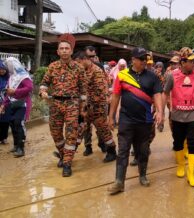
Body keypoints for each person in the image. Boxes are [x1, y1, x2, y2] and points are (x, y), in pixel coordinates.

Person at [107, 47, 163, 195]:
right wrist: (111, 116)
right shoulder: (122, 75)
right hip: (126, 119)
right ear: (133, 60)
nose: (145, 61)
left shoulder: (152, 77)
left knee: (143, 150)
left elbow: (157, 95)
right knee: (123, 150)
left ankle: (143, 175)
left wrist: (160, 112)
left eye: (146, 58)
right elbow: (116, 96)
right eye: (141, 59)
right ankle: (119, 182)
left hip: (145, 120)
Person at [162, 47, 194, 187]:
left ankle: (191, 173)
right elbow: (165, 93)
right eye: (191, 60)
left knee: (193, 143)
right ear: (183, 62)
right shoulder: (172, 75)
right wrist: (160, 112)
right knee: (178, 143)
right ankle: (180, 166)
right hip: (178, 115)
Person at [40, 33, 87, 177]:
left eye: (67, 48)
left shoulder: (78, 68)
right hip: (55, 103)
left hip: (72, 103)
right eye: (62, 48)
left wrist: (83, 109)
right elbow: (44, 82)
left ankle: (67, 163)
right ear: (58, 52)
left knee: (71, 133)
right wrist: (43, 91)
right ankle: (63, 154)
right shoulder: (52, 67)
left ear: (71, 51)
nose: (65, 50)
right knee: (55, 133)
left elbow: (83, 90)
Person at [73, 50, 117, 162]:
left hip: (97, 108)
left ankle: (112, 152)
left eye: (78, 62)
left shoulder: (96, 71)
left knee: (104, 131)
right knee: (80, 129)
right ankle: (68, 154)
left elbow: (101, 92)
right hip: (87, 107)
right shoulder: (84, 70)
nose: (77, 65)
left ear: (84, 59)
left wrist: (90, 106)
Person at [0, 57, 33, 157]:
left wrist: (16, 92)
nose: (6, 67)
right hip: (12, 103)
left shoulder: (23, 76)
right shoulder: (11, 77)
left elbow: (29, 87)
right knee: (13, 124)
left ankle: (21, 148)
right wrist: (3, 105)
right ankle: (16, 145)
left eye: (8, 65)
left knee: (19, 123)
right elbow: (8, 93)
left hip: (22, 104)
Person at [0, 59, 10, 144]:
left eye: (4, 69)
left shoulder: (9, 78)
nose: (2, 70)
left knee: (5, 121)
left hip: (6, 103)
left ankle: (4, 137)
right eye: (0, 69)